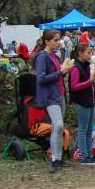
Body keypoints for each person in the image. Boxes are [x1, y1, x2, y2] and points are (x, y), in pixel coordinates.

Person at [34, 30, 74, 173]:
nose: (58, 43)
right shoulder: (42, 57)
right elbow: (41, 78)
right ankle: (55, 158)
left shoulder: (55, 56)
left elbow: (58, 75)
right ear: (47, 41)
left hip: (60, 94)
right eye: (56, 40)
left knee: (58, 127)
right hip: (50, 96)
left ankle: (59, 158)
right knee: (57, 125)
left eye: (59, 40)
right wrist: (61, 72)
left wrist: (65, 70)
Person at [68, 43, 95, 166]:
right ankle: (84, 155)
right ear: (80, 54)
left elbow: (89, 84)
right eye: (88, 52)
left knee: (89, 130)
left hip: (90, 100)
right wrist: (89, 81)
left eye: (90, 52)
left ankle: (89, 154)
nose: (90, 55)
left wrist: (92, 81)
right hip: (82, 101)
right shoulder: (76, 68)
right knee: (83, 130)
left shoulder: (86, 66)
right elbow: (74, 86)